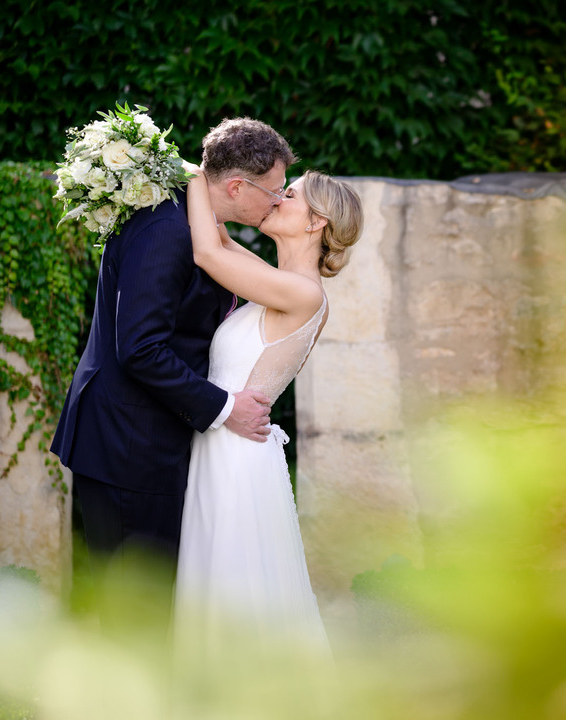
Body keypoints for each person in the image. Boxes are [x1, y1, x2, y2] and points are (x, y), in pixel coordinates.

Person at [50, 118, 296, 582]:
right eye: (276, 190)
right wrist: (226, 408)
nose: (280, 200)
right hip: (130, 446)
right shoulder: (167, 228)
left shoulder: (194, 222)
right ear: (239, 187)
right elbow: (141, 348)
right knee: (136, 613)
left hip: (150, 441)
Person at [173, 164, 363, 653]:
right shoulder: (275, 280)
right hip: (221, 445)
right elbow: (212, 229)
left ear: (316, 222)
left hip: (236, 458)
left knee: (235, 595)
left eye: (291, 193)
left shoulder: (302, 293)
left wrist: (193, 170)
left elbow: (206, 251)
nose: (277, 195)